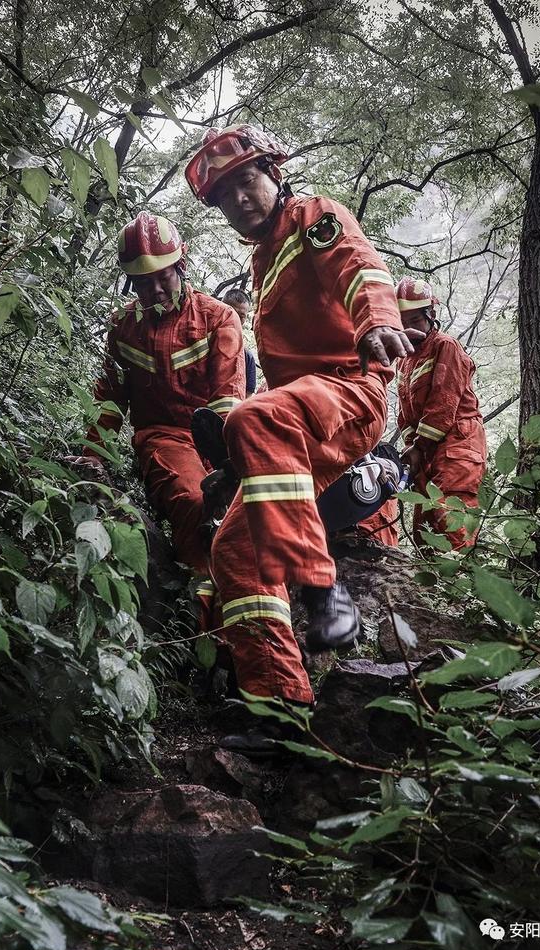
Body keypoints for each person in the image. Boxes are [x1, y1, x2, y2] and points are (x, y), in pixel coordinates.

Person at [185, 125, 420, 753]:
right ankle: (282, 708)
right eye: (224, 194)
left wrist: (377, 323)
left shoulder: (315, 219)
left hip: (349, 392)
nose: (240, 197)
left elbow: (361, 270)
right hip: (299, 422)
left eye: (247, 180)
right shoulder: (261, 267)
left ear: (274, 173)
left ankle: (325, 597)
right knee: (235, 549)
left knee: (252, 419)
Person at [78, 211, 245, 573]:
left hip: (218, 437)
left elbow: (228, 394)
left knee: (247, 508)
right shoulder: (123, 326)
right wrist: (93, 454)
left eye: (162, 277)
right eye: (141, 282)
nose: (153, 290)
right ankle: (199, 599)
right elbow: (110, 399)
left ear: (180, 265)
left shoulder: (218, 318)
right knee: (196, 499)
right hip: (162, 437)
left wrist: (229, 462)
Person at [395, 277, 487, 549]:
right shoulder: (405, 360)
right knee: (424, 522)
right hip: (426, 449)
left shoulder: (445, 346)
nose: (408, 329)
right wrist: (412, 447)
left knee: (451, 516)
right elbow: (405, 413)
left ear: (430, 315)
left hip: (457, 444)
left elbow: (443, 403)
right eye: (403, 323)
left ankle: (457, 588)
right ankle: (429, 589)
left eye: (414, 321)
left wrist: (417, 445)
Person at [222, 288, 257, 396]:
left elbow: (247, 395)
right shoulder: (202, 341)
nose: (235, 319)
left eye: (241, 316)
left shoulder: (247, 357)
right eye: (231, 312)